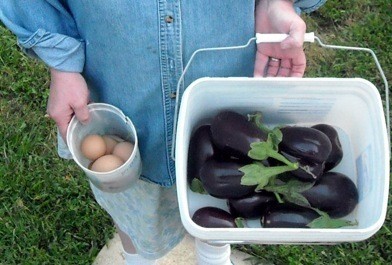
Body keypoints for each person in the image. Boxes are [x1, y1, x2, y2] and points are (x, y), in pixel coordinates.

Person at [0, 0, 327, 264]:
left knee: (224, 196)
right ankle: (137, 259)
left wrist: (276, 3)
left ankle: (214, 257)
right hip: (124, 96)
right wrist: (62, 63)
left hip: (224, 84)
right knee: (135, 206)